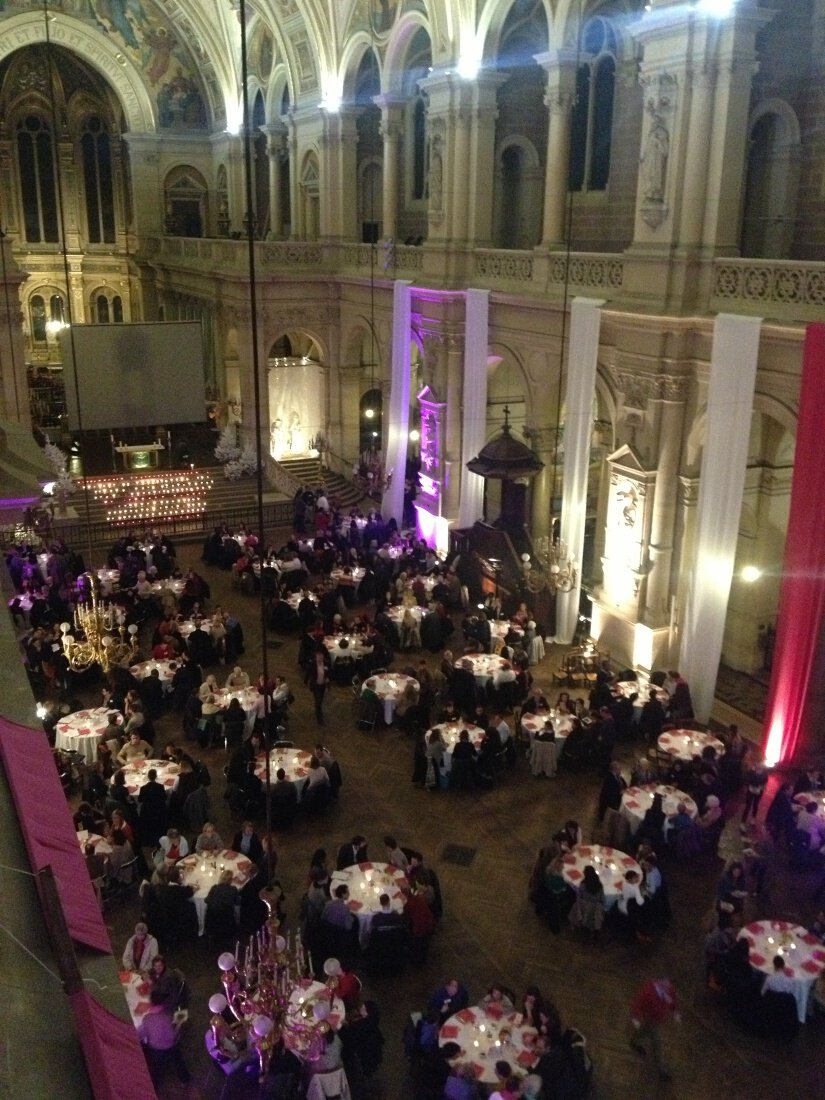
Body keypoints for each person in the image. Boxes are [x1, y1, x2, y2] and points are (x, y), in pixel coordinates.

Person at [629, 977, 680, 1080]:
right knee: (657, 1043)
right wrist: (635, 1017)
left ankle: (634, 1041)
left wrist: (674, 1012)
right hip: (651, 1019)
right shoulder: (648, 992)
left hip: (657, 1020)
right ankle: (660, 1068)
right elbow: (638, 1003)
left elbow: (672, 999)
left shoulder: (668, 989)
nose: (668, 987)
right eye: (665, 985)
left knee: (644, 1029)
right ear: (659, 982)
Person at [137, 989, 190, 1085]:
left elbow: (142, 1034)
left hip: (155, 1049)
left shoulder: (146, 1018)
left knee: (156, 1068)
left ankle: (155, 1084)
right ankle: (184, 1079)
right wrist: (178, 1025)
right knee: (178, 1061)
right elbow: (172, 1036)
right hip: (169, 1046)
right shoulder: (167, 1017)